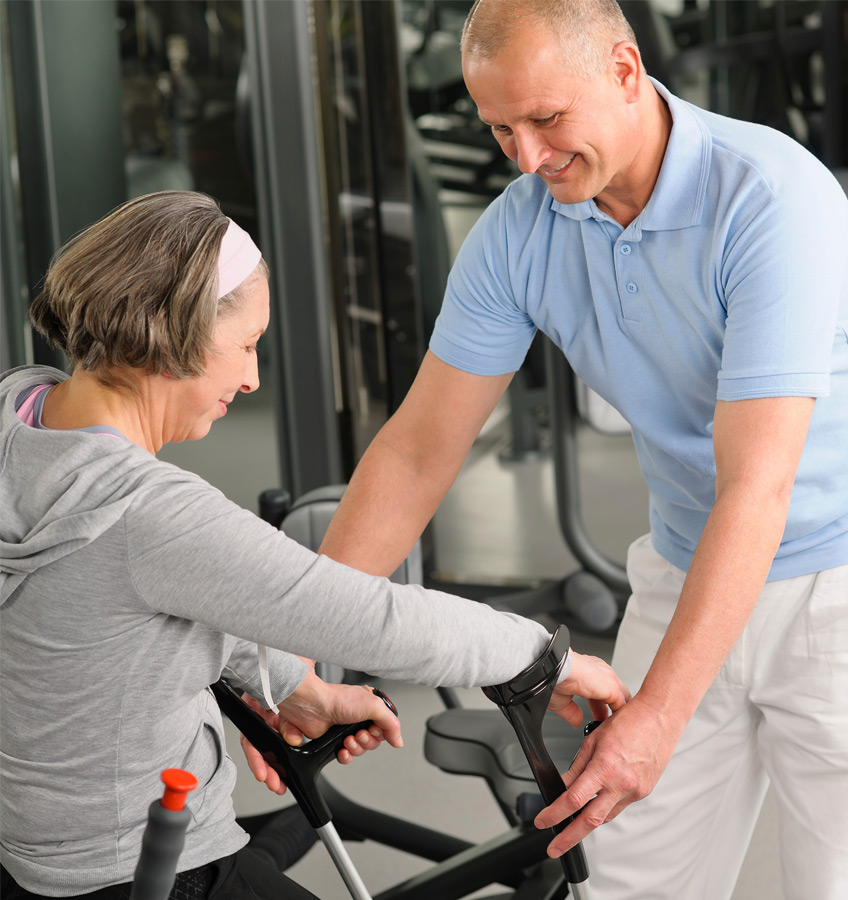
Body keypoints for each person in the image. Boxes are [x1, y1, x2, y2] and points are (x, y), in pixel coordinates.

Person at [316, 1, 848, 898]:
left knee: (843, 886)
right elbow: (417, 451)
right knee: (619, 879)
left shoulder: (767, 198)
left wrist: (660, 719)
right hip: (683, 562)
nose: (524, 158)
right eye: (499, 128)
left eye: (546, 120)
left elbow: (758, 486)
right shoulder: (519, 231)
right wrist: (300, 652)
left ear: (626, 72)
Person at [0, 190, 630, 899]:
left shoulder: (19, 421)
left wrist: (295, 687)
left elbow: (126, 608)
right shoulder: (150, 516)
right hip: (153, 871)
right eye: (246, 345)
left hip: (37, 860)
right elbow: (372, 618)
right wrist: (546, 658)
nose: (253, 376)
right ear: (173, 334)